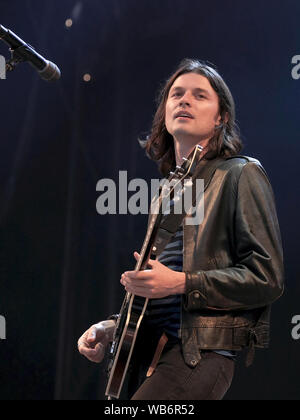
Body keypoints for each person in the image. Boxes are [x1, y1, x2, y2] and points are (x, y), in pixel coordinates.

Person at [77, 59, 284, 400]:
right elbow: (155, 297)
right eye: (176, 94)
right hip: (142, 356)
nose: (184, 100)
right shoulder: (164, 194)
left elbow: (267, 276)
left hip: (197, 355)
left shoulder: (241, 174)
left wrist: (181, 283)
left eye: (199, 95)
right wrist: (111, 328)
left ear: (222, 118)